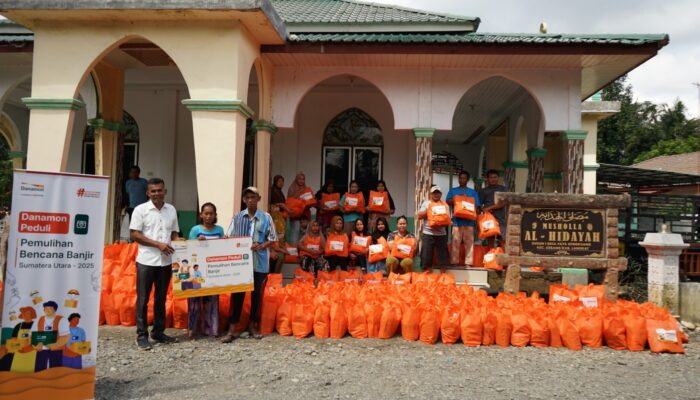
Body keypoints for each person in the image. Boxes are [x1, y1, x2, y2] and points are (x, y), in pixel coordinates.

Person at [221, 186, 277, 342]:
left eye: (253, 197)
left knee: (256, 296)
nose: (251, 200)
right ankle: (232, 328)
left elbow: (273, 238)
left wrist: (261, 245)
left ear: (259, 199)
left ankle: (253, 326)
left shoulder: (266, 217)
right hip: (240, 264)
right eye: (248, 197)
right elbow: (228, 237)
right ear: (243, 200)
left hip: (260, 262)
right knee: (237, 295)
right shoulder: (237, 218)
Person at [130, 177, 180, 350]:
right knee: (143, 299)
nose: (157, 193)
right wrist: (158, 244)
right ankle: (141, 335)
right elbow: (135, 235)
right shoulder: (140, 210)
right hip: (146, 261)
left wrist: (182, 243)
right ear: (148, 193)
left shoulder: (171, 210)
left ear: (165, 191)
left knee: (161, 298)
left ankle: (158, 332)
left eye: (160, 190)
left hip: (165, 262)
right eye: (153, 191)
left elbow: (174, 233)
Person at [187, 202, 224, 340]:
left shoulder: (219, 230)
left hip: (213, 270)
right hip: (197, 269)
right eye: (206, 213)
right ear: (201, 215)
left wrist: (226, 242)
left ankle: (211, 329)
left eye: (211, 214)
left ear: (215, 215)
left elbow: (223, 248)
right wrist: (196, 241)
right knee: (194, 301)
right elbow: (188, 249)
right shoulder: (195, 230)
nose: (208, 216)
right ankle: (192, 330)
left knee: (212, 300)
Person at [446, 171, 481, 266]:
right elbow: (448, 201)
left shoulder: (473, 192)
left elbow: (477, 206)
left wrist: (477, 218)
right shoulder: (453, 191)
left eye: (464, 178)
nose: (462, 180)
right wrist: (458, 199)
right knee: (455, 243)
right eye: (460, 178)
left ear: (467, 179)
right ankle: (454, 262)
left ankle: (468, 263)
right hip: (457, 222)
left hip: (469, 222)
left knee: (469, 243)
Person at [416, 185, 450, 273]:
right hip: (428, 233)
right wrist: (430, 209)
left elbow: (448, 219)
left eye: (438, 193)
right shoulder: (426, 203)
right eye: (434, 193)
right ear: (430, 194)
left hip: (441, 234)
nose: (436, 194)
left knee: (443, 256)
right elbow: (419, 216)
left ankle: (443, 274)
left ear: (441, 194)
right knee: (426, 256)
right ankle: (426, 273)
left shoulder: (445, 205)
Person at [34, 300, 70, 371]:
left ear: (55, 310)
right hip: (41, 349)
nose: (48, 310)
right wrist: (35, 345)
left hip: (56, 349)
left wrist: (53, 345)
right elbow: (33, 334)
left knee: (55, 370)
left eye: (50, 308)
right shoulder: (40, 319)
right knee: (39, 370)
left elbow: (65, 336)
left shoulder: (61, 320)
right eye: (46, 308)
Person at [0, 306, 36, 372]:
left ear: (32, 314)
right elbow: (13, 340)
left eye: (27, 313)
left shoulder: (35, 325)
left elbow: (36, 340)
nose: (25, 315)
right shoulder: (18, 326)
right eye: (23, 313)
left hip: (31, 351)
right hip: (18, 349)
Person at [479, 169, 507, 247]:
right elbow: (478, 205)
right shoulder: (483, 191)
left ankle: (502, 255)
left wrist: (489, 208)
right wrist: (482, 209)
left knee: (503, 240)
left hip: (501, 219)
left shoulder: (503, 189)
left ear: (498, 178)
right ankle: (491, 254)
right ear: (487, 179)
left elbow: (502, 203)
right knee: (490, 240)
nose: (493, 179)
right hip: (488, 219)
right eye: (491, 177)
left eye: (495, 177)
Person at [287, 172, 312, 244]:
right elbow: (289, 201)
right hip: (295, 216)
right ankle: (293, 250)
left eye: (303, 179)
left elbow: (309, 201)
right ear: (296, 179)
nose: (301, 181)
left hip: (305, 215)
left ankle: (302, 250)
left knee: (304, 236)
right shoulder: (292, 188)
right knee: (295, 234)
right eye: (299, 179)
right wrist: (299, 192)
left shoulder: (306, 188)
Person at [269, 175, 289, 243]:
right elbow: (277, 204)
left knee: (280, 232)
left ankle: (279, 246)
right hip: (276, 216)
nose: (281, 183)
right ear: (275, 182)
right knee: (277, 232)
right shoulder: (273, 191)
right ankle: (277, 246)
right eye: (279, 181)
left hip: (280, 215)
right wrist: (288, 210)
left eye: (282, 181)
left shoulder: (279, 191)